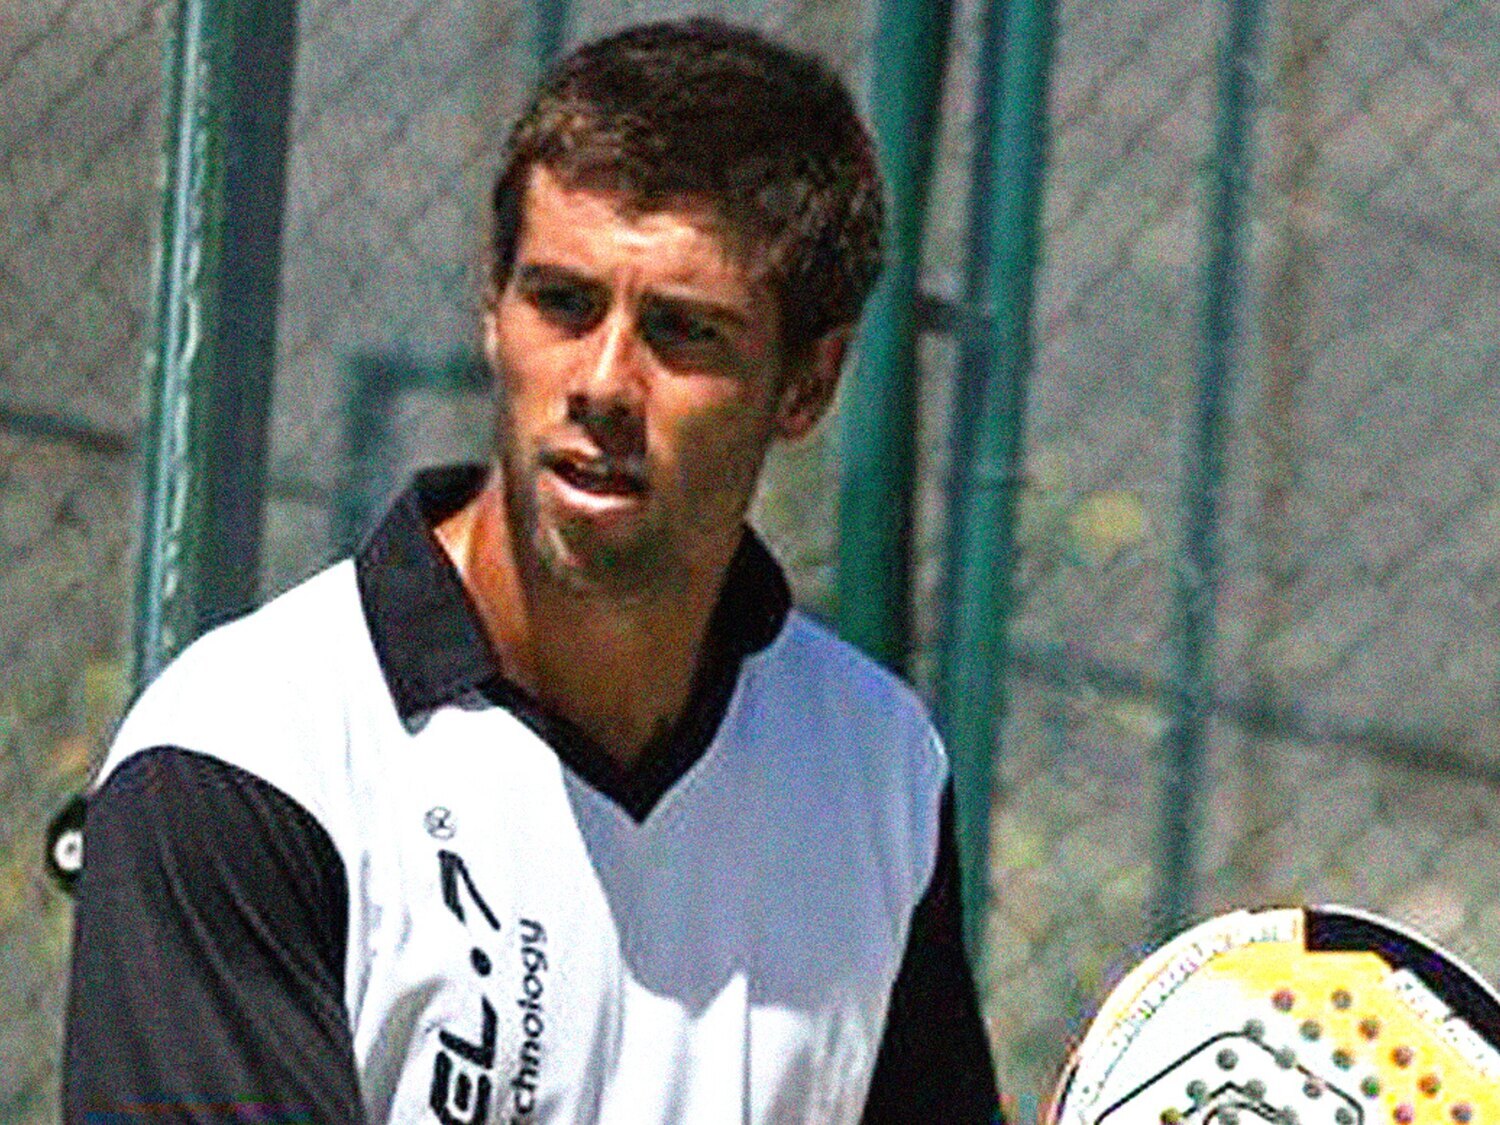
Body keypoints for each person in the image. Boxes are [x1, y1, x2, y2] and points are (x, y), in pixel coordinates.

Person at [65, 17, 1001, 1124]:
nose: (604, 381)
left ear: (807, 383)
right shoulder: (251, 763)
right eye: (562, 303)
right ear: (491, 308)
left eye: (685, 332)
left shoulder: (877, 772)